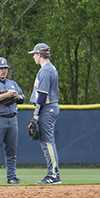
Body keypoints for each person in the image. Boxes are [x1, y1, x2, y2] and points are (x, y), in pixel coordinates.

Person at [0, 57, 25, 184]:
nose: (3, 70)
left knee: (11, 151)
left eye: (5, 68)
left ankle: (12, 177)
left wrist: (17, 96)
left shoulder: (13, 83)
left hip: (12, 118)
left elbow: (22, 98)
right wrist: (6, 95)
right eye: (1, 68)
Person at [28, 43, 62, 184]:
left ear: (40, 54)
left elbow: (42, 95)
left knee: (48, 141)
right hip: (49, 108)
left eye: (35, 54)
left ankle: (54, 174)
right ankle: (52, 173)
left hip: (47, 108)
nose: (34, 57)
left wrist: (36, 115)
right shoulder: (49, 68)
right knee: (46, 141)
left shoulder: (45, 70)